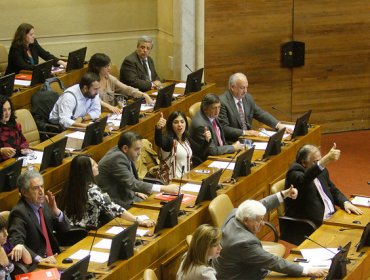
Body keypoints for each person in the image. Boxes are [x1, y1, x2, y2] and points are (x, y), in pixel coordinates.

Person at [213, 189, 327, 279]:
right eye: (258, 220)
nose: (262, 223)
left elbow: (263, 204)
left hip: (239, 267)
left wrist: (284, 194)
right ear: (246, 220)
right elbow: (272, 262)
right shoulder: (243, 242)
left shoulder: (236, 214)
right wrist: (306, 270)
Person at [59, 155, 155, 229]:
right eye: (93, 165)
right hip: (87, 231)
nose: (97, 165)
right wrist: (139, 221)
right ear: (86, 171)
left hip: (73, 229)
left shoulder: (70, 184)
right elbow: (113, 208)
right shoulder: (91, 190)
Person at [284, 143, 362, 230]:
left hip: (333, 217)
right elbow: (305, 179)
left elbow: (332, 189)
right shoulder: (294, 173)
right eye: (316, 162)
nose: (320, 164)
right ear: (303, 162)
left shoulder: (320, 170)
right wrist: (325, 160)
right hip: (313, 224)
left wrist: (345, 203)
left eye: (320, 160)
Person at [97, 131, 179, 209]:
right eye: (137, 149)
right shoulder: (117, 158)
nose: (140, 153)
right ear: (125, 148)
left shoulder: (122, 151)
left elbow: (127, 180)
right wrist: (165, 188)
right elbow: (132, 183)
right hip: (114, 202)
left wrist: (136, 192)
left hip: (126, 194)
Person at [8, 170, 70, 264]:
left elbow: (65, 230)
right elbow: (16, 241)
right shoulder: (19, 212)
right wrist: (40, 259)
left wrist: (56, 211)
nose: (41, 191)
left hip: (56, 257)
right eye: (36, 188)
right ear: (25, 193)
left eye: (42, 186)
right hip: (38, 264)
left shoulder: (44, 204)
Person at [218, 73, 292, 143]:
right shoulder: (223, 102)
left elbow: (260, 114)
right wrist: (245, 132)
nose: (245, 91)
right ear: (232, 87)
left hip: (250, 139)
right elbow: (223, 128)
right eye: (242, 88)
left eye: (246, 87)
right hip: (233, 142)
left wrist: (279, 125)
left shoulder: (247, 98)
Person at [87, 53, 154, 114]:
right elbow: (96, 100)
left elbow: (126, 89)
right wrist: (110, 107)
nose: (109, 68)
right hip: (99, 114)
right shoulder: (91, 81)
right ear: (97, 67)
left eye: (109, 65)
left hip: (113, 113)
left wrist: (143, 95)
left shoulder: (109, 78)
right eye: (106, 67)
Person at [155, 111, 211, 180]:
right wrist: (158, 129)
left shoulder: (186, 139)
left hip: (186, 179)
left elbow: (200, 153)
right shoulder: (169, 139)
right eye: (176, 122)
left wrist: (206, 141)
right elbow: (159, 142)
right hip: (172, 183)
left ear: (186, 124)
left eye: (182, 122)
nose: (179, 125)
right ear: (170, 125)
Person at [189, 93, 244, 162]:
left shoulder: (210, 115)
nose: (217, 111)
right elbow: (212, 151)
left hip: (220, 154)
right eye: (214, 108)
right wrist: (233, 147)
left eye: (219, 107)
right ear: (205, 109)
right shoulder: (201, 126)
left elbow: (220, 141)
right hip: (207, 161)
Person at [0, 215, 32, 280]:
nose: (6, 234)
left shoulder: (5, 245)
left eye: (5, 229)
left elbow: (28, 261)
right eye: (1, 231)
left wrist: (21, 247)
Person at [0, 95, 30, 162]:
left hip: (17, 161)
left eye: (9, 109)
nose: (7, 113)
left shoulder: (15, 124)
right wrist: (1, 151)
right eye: (4, 110)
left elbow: (24, 141)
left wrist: (23, 148)